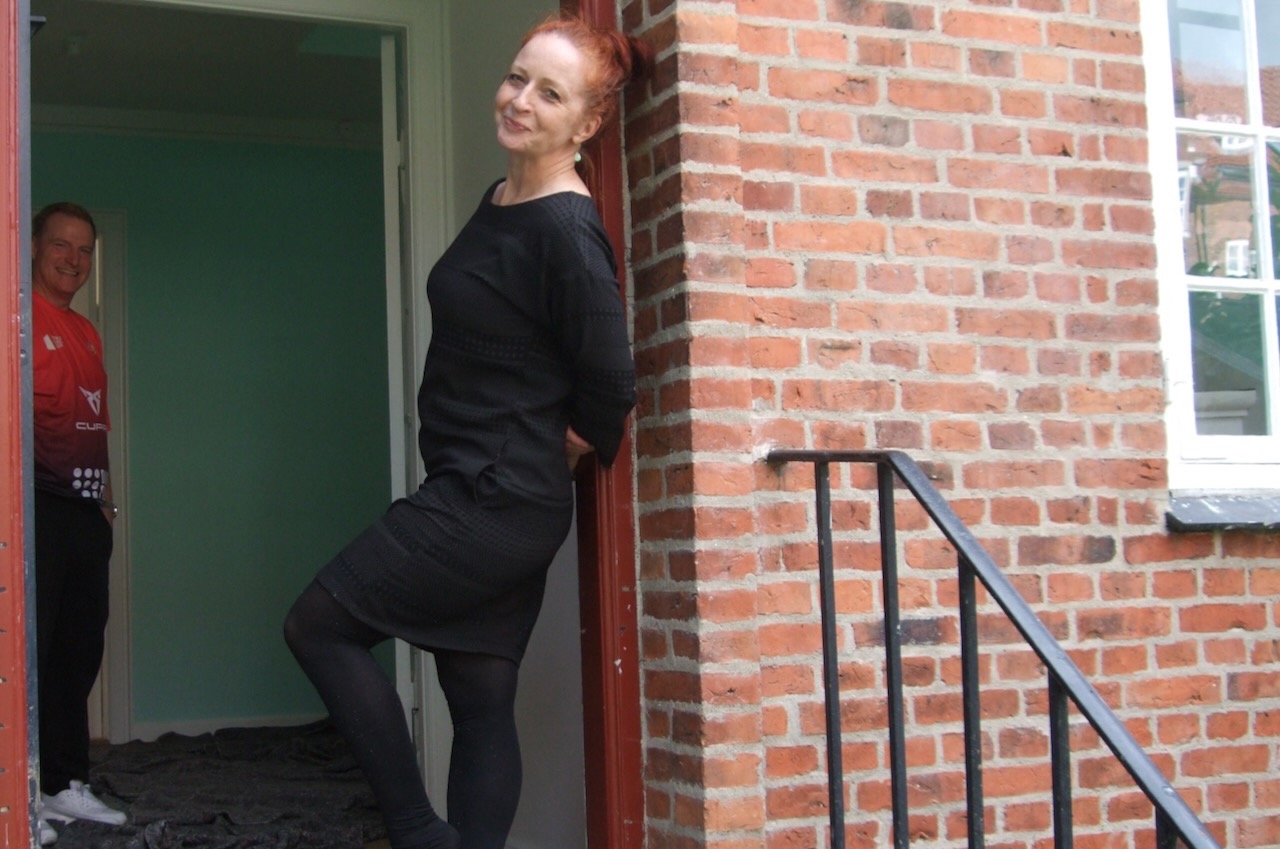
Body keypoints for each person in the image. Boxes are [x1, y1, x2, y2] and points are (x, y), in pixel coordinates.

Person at [283, 14, 652, 849]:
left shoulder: (566, 229)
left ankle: (420, 832)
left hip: (493, 499)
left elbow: (612, 384)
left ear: (587, 122)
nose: (519, 100)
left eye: (549, 93)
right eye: (518, 77)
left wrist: (569, 443)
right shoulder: (504, 198)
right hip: (480, 486)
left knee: (319, 624)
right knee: (481, 700)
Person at [30, 201, 129, 844]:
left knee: (77, 655)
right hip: (34, 510)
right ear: (35, 247)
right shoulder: (16, 317)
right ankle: (19, 795)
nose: (74, 259)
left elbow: (95, 427)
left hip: (85, 517)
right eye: (61, 245)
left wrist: (107, 508)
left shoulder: (86, 332)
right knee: (28, 658)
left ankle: (64, 783)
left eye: (85, 249)